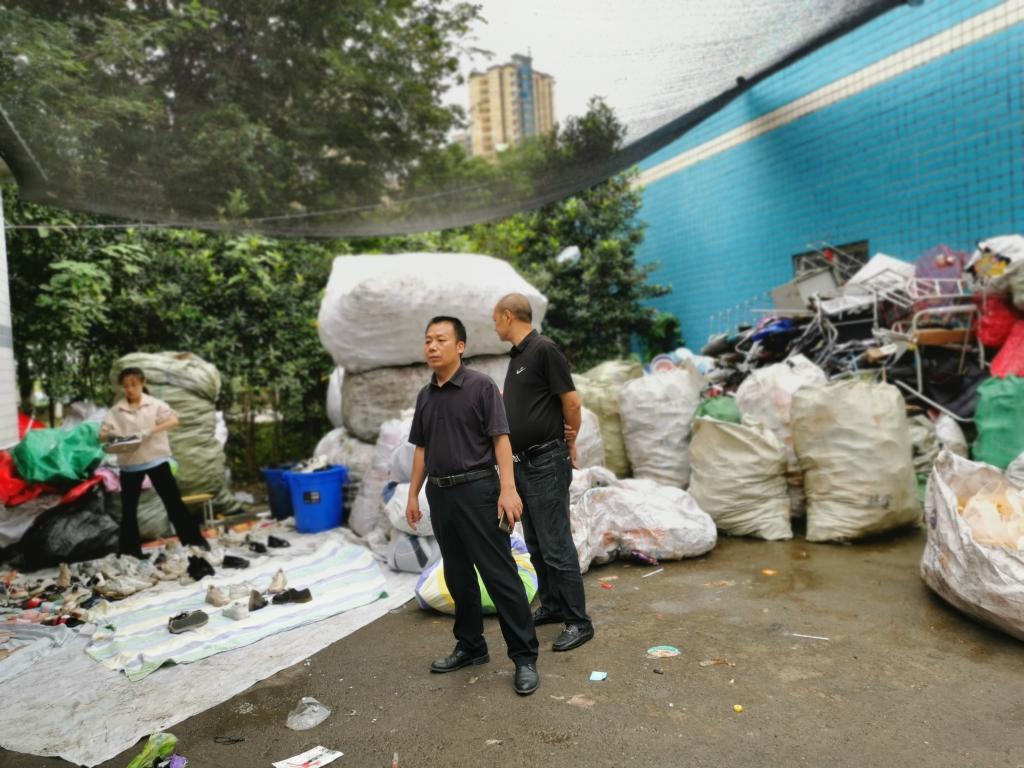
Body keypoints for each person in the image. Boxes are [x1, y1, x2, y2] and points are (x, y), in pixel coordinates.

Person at [405, 316, 540, 696]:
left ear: (460, 347)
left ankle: (524, 657)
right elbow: (421, 449)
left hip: (478, 491)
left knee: (499, 575)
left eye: (440, 340)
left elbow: (501, 439)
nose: (432, 346)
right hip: (441, 494)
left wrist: (508, 490)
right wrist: (413, 494)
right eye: (428, 340)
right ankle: (471, 646)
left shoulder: (480, 387)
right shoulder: (425, 396)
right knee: (457, 575)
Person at [492, 293, 594, 652]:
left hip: (546, 461)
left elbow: (572, 402)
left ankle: (578, 621)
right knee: (536, 543)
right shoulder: (517, 357)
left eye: (495, 319)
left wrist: (570, 440)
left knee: (556, 545)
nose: (494, 326)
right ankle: (552, 605)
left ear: (508, 316)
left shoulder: (543, 349)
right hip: (523, 464)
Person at [100, 367, 208, 558]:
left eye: (134, 385)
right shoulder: (116, 410)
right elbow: (102, 434)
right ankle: (130, 553)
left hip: (156, 460)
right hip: (130, 465)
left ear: (143, 383)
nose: (130, 389)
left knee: (173, 502)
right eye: (126, 386)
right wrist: (112, 435)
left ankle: (194, 542)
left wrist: (150, 431)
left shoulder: (155, 404)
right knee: (129, 510)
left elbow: (173, 421)